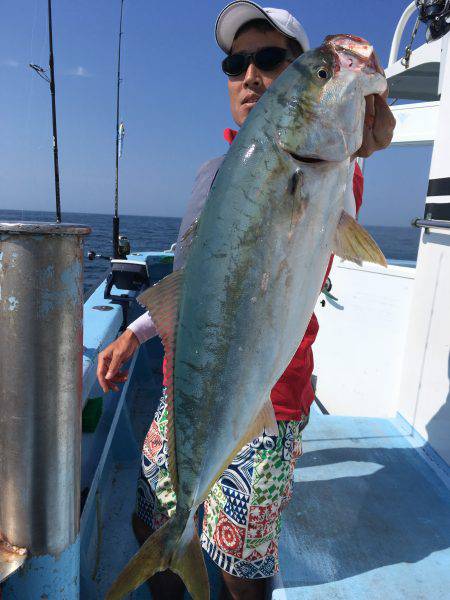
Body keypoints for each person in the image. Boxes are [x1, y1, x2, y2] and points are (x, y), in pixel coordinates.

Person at [97, 2, 396, 598]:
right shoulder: (215, 173)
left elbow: (343, 178)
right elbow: (196, 282)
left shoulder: (326, 170)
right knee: (151, 517)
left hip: (271, 403)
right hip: (188, 390)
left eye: (269, 59)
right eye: (236, 64)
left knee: (239, 567)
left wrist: (362, 133)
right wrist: (135, 332)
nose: (251, 75)